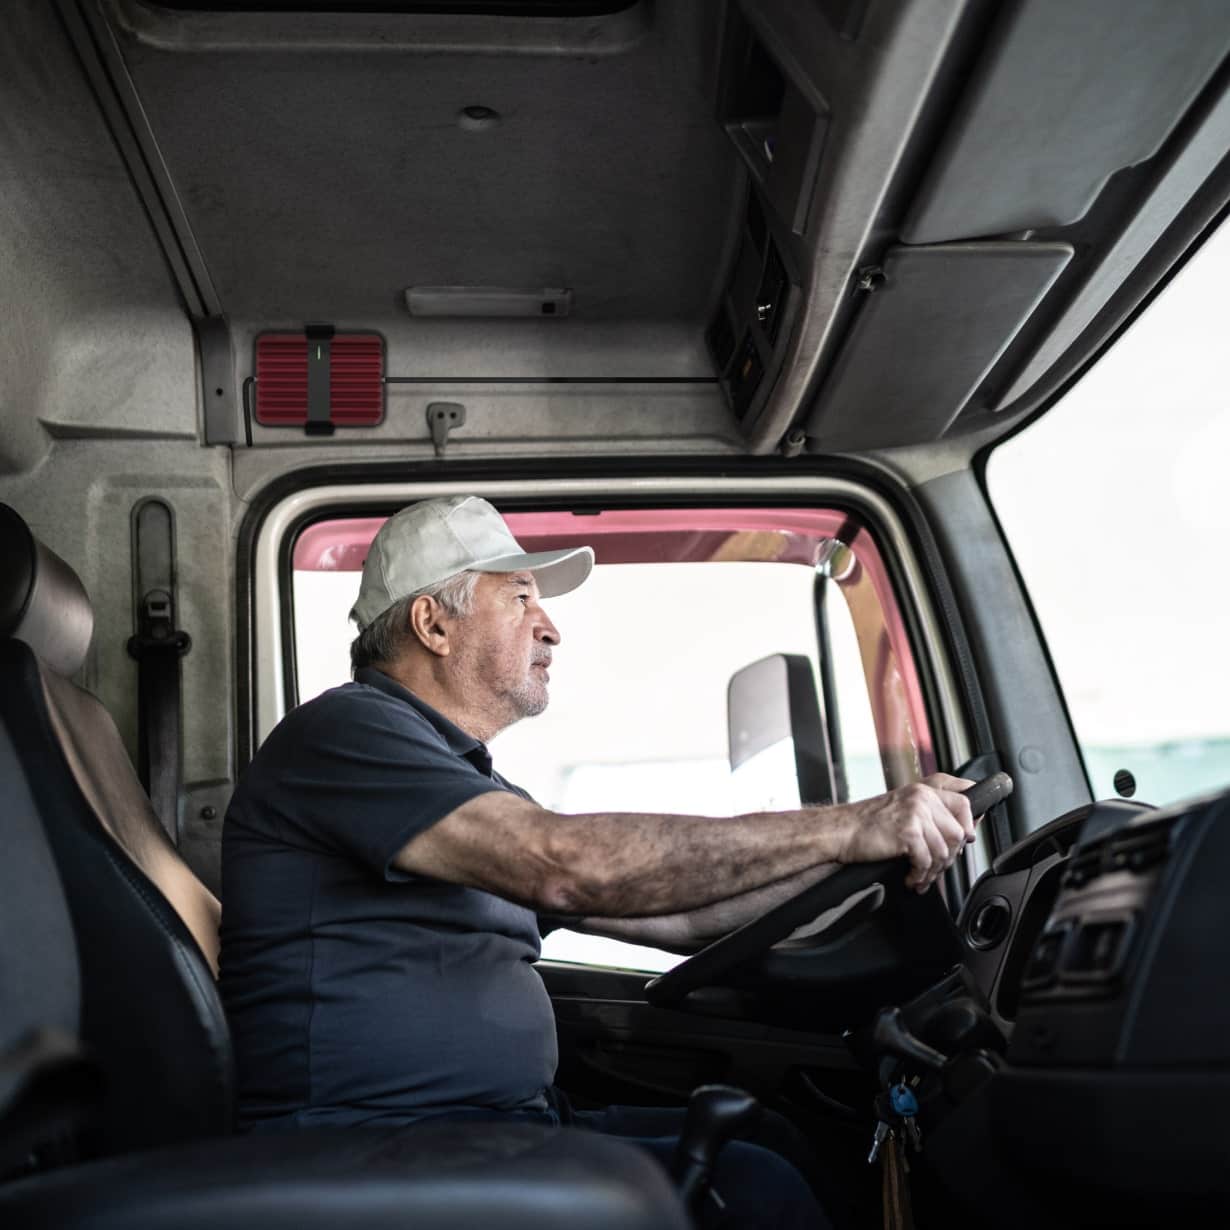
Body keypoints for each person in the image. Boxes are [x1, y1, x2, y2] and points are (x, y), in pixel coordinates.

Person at [219, 495, 977, 1230]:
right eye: (520, 598)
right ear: (432, 624)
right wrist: (848, 829)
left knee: (773, 1140)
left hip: (485, 1130)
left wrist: (865, 858)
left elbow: (679, 915)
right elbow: (567, 865)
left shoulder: (463, 782)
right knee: (757, 1187)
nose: (551, 629)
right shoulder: (348, 734)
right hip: (372, 1150)